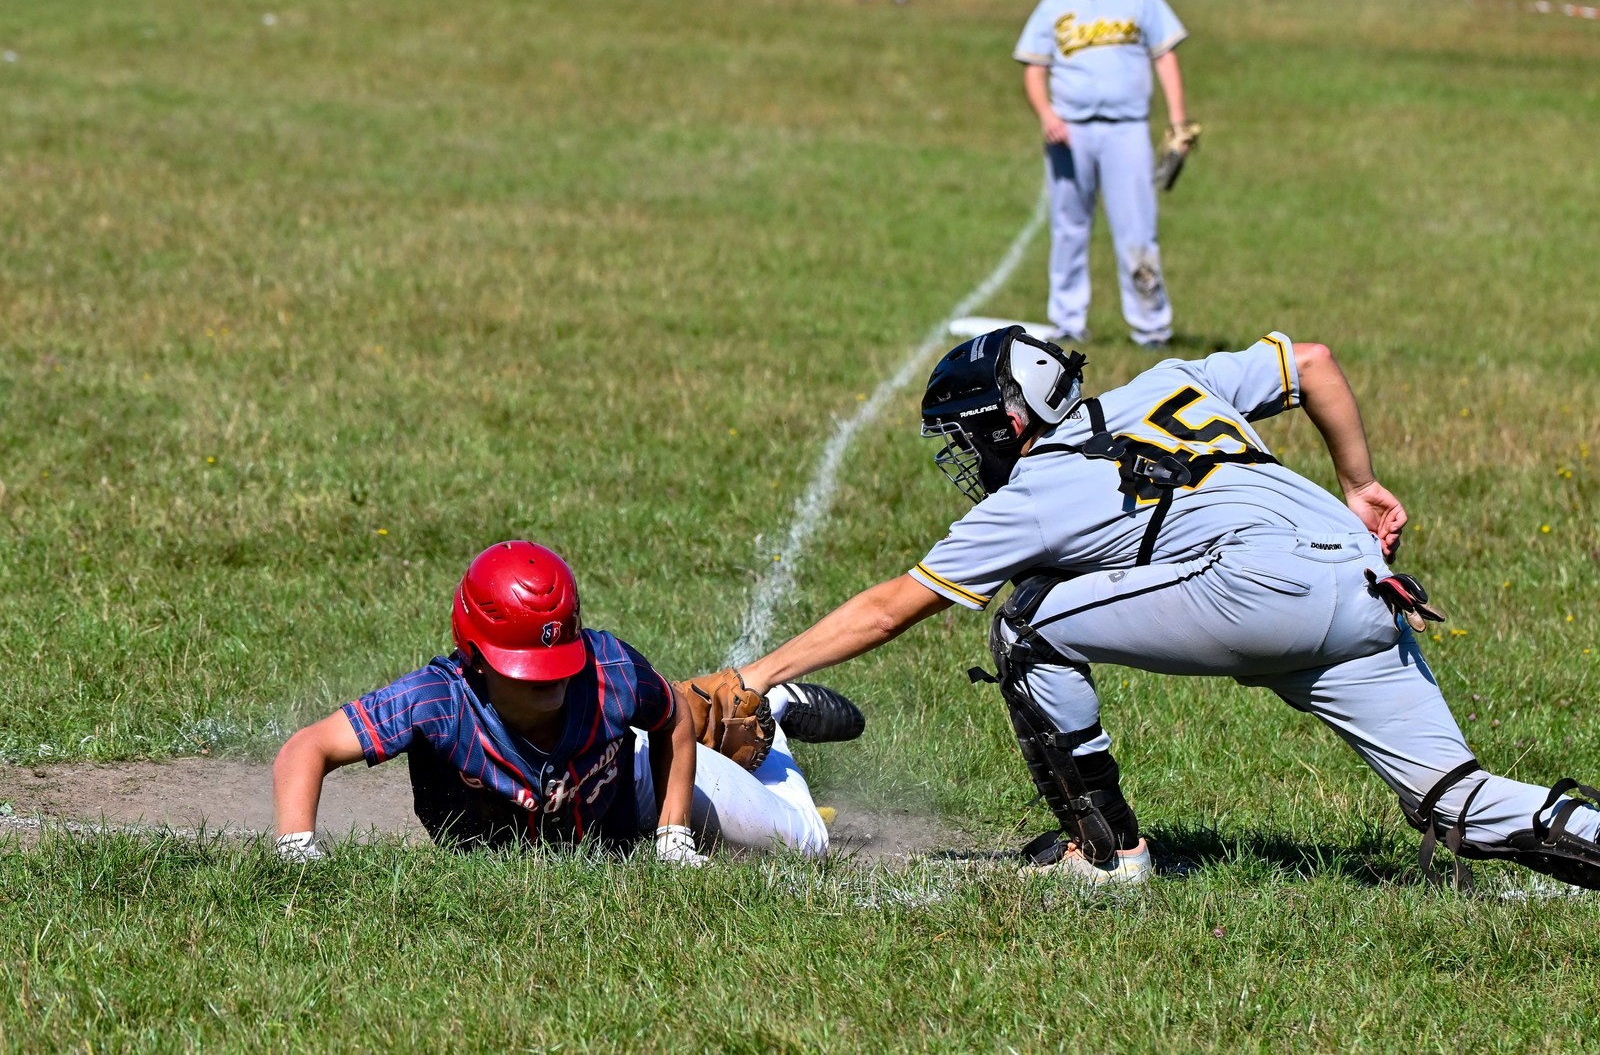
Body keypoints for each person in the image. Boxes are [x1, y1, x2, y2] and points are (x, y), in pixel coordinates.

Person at [735, 325, 1600, 890]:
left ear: (1006, 424)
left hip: (1261, 584)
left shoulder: (1036, 488)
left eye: (969, 435)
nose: (966, 455)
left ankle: (1109, 855)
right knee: (1457, 799)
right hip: (1368, 583)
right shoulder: (1172, 379)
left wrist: (754, 674)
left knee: (1026, 622)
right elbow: (1315, 363)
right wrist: (1360, 482)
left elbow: (893, 605)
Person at [273, 540, 863, 863]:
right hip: (579, 821)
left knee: (804, 845)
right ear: (474, 659)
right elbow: (307, 749)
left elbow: (672, 717)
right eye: (527, 673)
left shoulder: (608, 667)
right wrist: (297, 849)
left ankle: (773, 713)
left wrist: (672, 832)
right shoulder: (436, 700)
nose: (550, 683)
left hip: (632, 787)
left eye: (559, 666)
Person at [1013, 0, 1192, 349]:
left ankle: (1151, 326)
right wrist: (1047, 115)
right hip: (1069, 131)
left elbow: (1165, 56)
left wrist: (1178, 123)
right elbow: (1034, 71)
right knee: (1068, 228)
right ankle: (1067, 322)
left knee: (1138, 229)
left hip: (1127, 127)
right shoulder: (1054, 4)